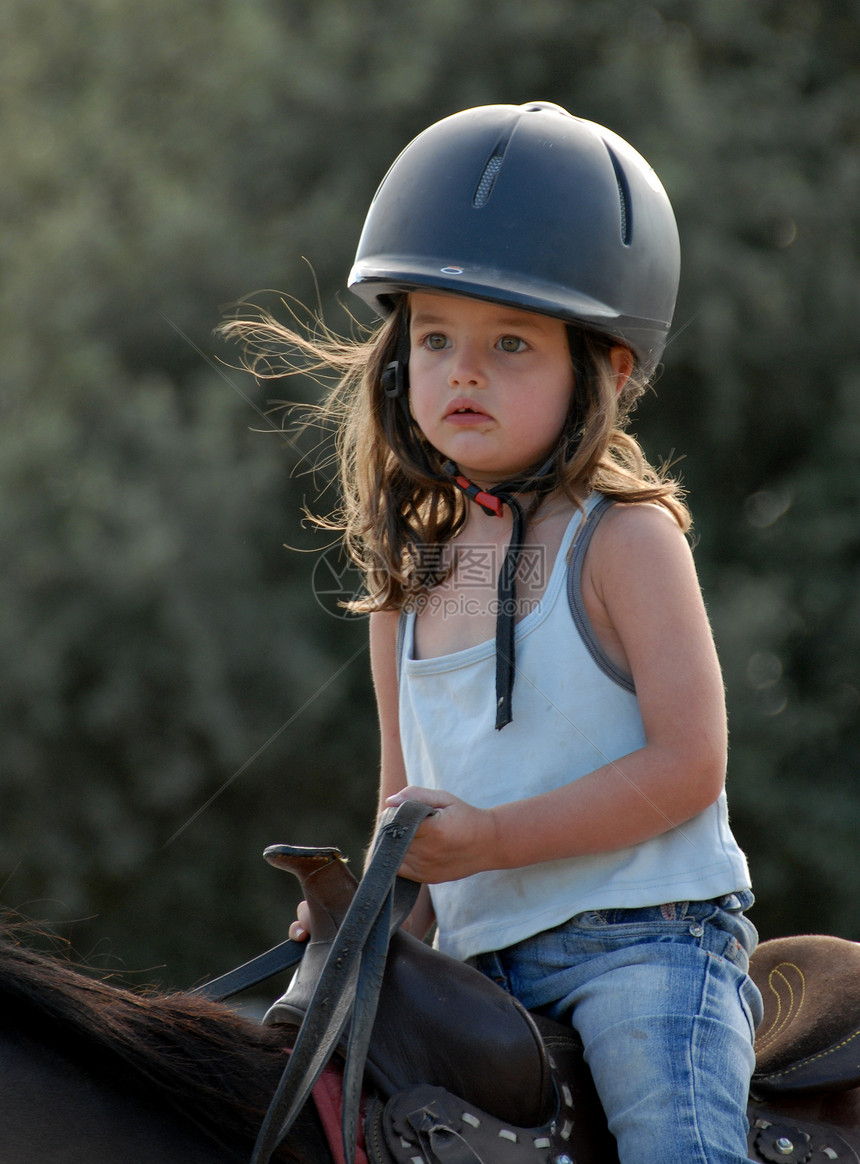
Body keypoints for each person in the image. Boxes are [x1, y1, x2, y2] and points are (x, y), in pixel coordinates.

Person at [227, 102, 763, 1164]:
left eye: (509, 342)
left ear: (603, 371)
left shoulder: (624, 540)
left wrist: (494, 843)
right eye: (434, 338)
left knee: (673, 1146)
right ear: (396, 360)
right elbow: (408, 824)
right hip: (476, 968)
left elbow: (689, 764)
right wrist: (369, 914)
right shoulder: (406, 579)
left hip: (643, 949)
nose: (461, 371)